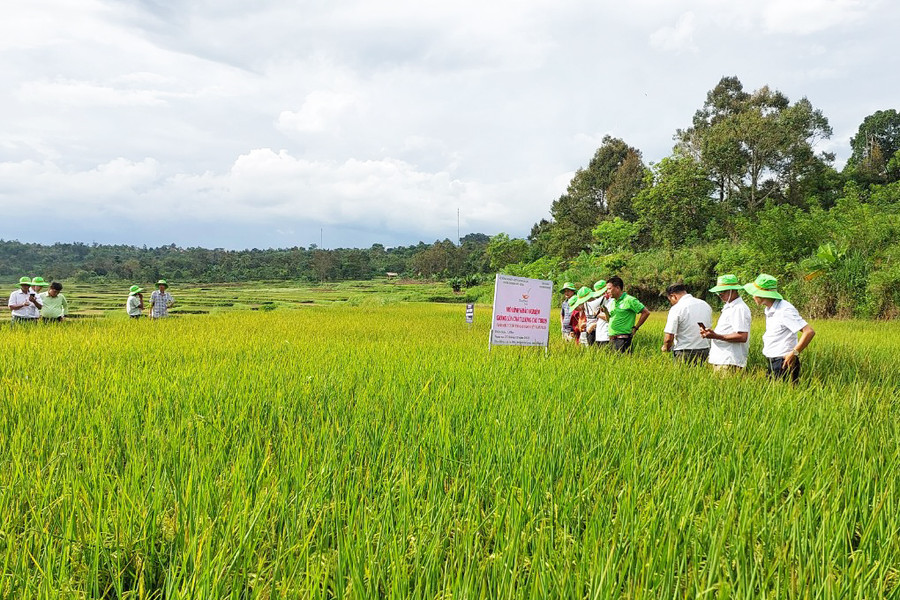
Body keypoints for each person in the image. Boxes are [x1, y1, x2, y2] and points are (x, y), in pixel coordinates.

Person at [743, 274, 815, 383]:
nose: (753, 297)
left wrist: (794, 353)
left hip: (784, 361)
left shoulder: (784, 310)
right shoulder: (770, 309)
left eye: (754, 294)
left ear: (762, 295)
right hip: (774, 360)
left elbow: (809, 332)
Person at [701, 274, 752, 373]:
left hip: (729, 361)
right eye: (718, 292)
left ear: (732, 290)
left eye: (722, 291)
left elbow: (742, 336)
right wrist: (711, 334)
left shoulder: (739, 308)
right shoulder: (729, 307)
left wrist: (716, 336)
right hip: (721, 359)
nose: (720, 294)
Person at [661, 283, 712, 364]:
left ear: (673, 296)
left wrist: (665, 348)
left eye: (670, 300)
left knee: (682, 376)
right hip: (705, 350)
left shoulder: (677, 308)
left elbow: (668, 338)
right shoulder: (705, 305)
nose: (671, 303)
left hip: (685, 352)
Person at [599, 276, 650, 353]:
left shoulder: (629, 300)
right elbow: (610, 320)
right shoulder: (613, 302)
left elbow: (646, 312)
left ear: (617, 288)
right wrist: (606, 312)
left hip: (623, 339)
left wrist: (635, 328)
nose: (607, 291)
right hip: (612, 339)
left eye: (609, 289)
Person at [585, 280, 612, 347]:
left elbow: (610, 318)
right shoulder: (602, 301)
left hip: (607, 334)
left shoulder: (612, 301)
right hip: (600, 334)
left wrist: (597, 315)